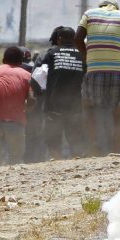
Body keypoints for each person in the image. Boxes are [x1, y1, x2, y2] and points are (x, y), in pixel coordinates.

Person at [76, 0, 120, 155]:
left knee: (89, 108)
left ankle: (95, 146)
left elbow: (77, 39)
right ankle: (116, 150)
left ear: (101, 6)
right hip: (119, 72)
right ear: (116, 8)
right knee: (118, 115)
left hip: (95, 70)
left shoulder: (89, 14)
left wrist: (86, 55)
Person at [41, 26, 85, 159]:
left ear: (59, 39)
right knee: (75, 139)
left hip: (54, 105)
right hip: (75, 105)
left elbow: (39, 77)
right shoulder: (82, 54)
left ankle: (57, 162)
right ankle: (75, 163)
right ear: (74, 39)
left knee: (53, 138)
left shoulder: (51, 53)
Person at [0, 46, 32, 166]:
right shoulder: (26, 75)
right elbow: (32, 99)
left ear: (3, 60)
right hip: (16, 122)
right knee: (15, 160)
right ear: (21, 62)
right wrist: (25, 112)